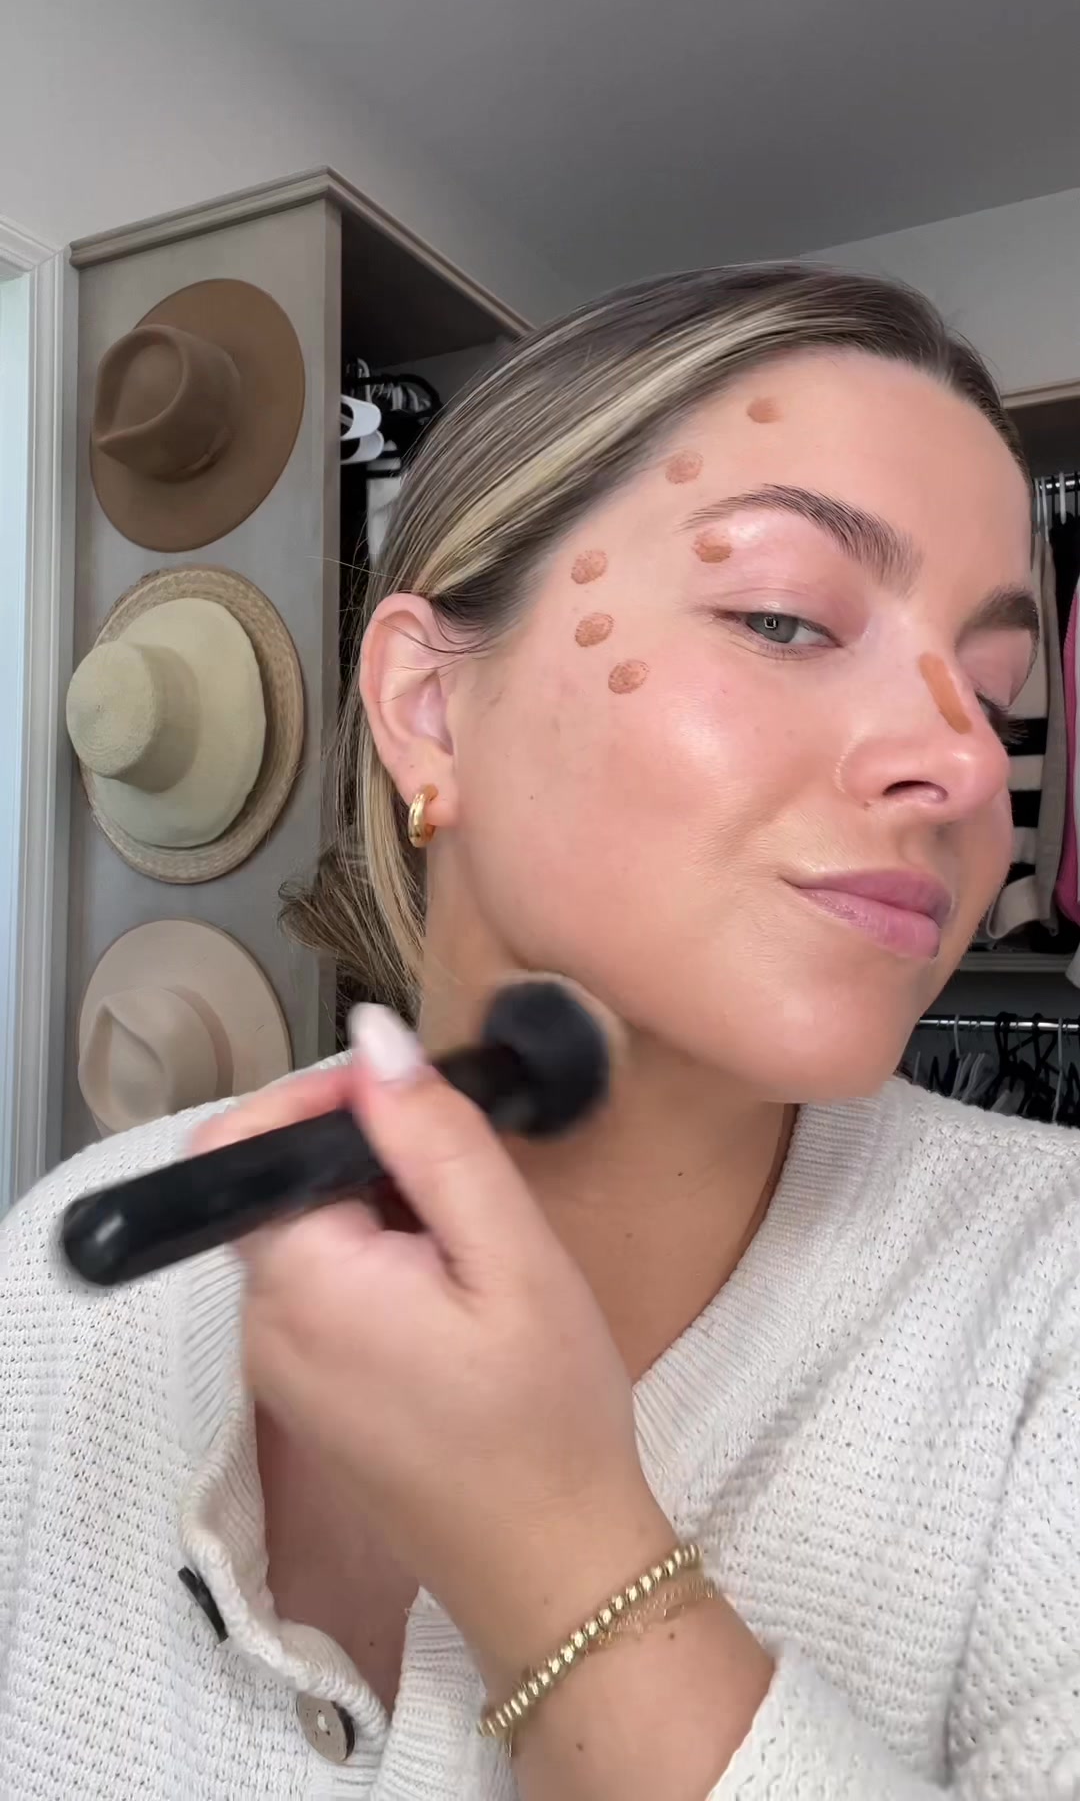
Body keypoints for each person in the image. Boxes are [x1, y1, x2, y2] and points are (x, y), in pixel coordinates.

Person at [2, 264, 1077, 1801]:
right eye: (784, 618)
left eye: (995, 694)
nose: (966, 767)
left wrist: (557, 1558)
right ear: (430, 708)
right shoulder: (71, 1292)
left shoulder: (1044, 1305)